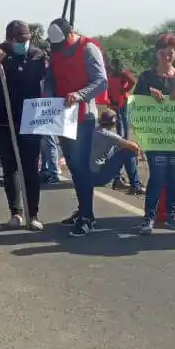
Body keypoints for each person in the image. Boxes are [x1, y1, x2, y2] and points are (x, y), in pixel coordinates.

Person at [0, 21, 49, 230]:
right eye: (19, 40)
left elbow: (29, 76)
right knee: (9, 167)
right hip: (2, 119)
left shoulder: (36, 54)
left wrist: (7, 62)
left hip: (29, 120)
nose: (24, 43)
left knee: (30, 167)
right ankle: (16, 212)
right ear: (10, 40)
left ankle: (33, 214)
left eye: (26, 39)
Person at [45, 17, 108, 238]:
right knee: (73, 166)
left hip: (83, 117)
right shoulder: (56, 51)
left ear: (71, 33)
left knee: (82, 167)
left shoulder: (88, 48)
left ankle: (87, 216)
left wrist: (79, 95)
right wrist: (49, 94)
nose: (60, 50)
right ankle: (83, 209)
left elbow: (101, 81)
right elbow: (51, 78)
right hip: (62, 116)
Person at [134, 33, 175, 235]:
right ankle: (148, 218)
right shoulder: (146, 77)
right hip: (155, 135)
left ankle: (172, 216)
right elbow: (136, 105)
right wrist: (149, 94)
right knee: (157, 176)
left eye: (171, 53)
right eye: (163, 53)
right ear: (156, 54)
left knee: (174, 176)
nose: (167, 57)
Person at [88, 109, 143, 192]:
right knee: (127, 151)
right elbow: (134, 147)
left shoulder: (94, 129)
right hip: (98, 177)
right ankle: (136, 185)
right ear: (114, 122)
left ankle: (117, 180)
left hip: (87, 176)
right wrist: (136, 155)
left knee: (118, 148)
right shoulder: (108, 135)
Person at [106, 59, 137, 138]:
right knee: (116, 118)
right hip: (112, 98)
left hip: (122, 98)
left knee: (123, 117)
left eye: (112, 64)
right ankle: (119, 136)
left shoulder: (123, 73)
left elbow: (133, 81)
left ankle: (126, 137)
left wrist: (125, 89)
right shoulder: (109, 72)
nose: (111, 65)